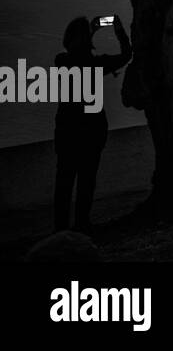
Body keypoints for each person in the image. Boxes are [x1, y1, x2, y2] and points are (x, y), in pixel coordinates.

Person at [52, 15, 131, 233]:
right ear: (87, 40)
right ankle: (82, 223)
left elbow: (76, 54)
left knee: (64, 179)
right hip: (92, 130)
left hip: (67, 128)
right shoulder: (97, 64)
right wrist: (119, 30)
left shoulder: (62, 60)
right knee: (87, 178)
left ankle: (60, 227)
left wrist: (91, 32)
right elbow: (126, 55)